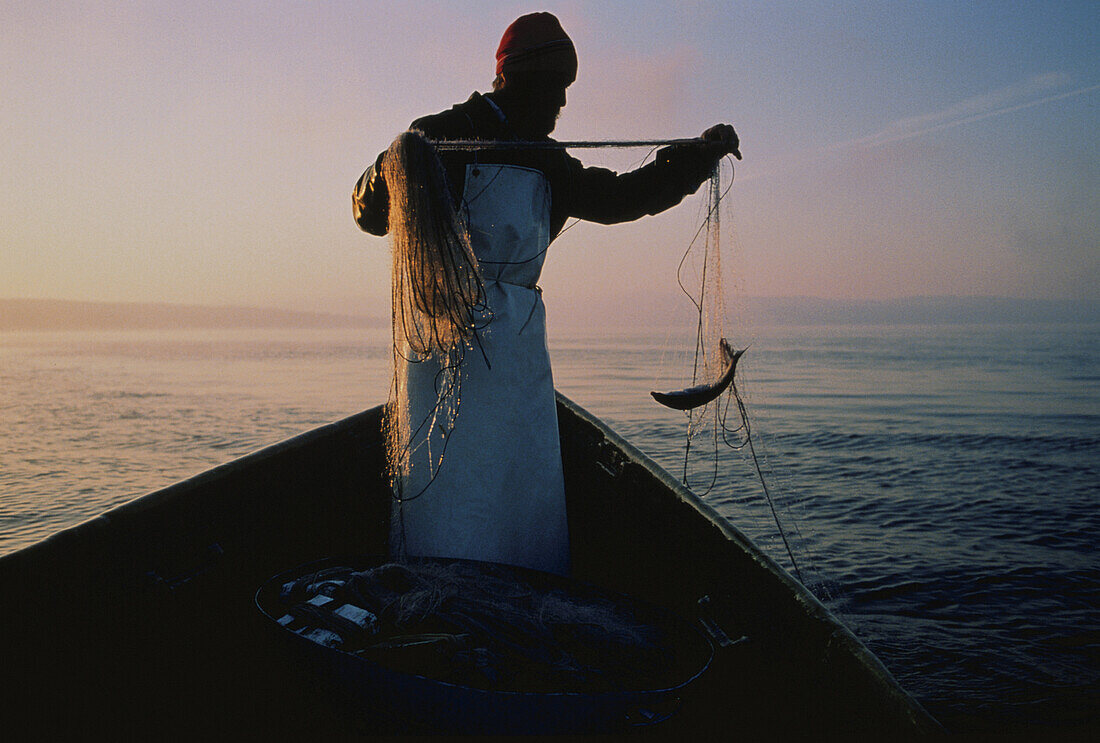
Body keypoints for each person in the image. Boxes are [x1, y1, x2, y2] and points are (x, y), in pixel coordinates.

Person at [353, 12, 739, 576]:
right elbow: (366, 213)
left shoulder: (548, 159)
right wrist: (391, 166)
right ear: (511, 79)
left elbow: (619, 197)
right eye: (552, 88)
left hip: (517, 346)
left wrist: (695, 160)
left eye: (565, 91)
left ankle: (525, 581)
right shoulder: (440, 132)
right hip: (444, 344)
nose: (561, 104)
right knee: (453, 483)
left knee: (521, 482)